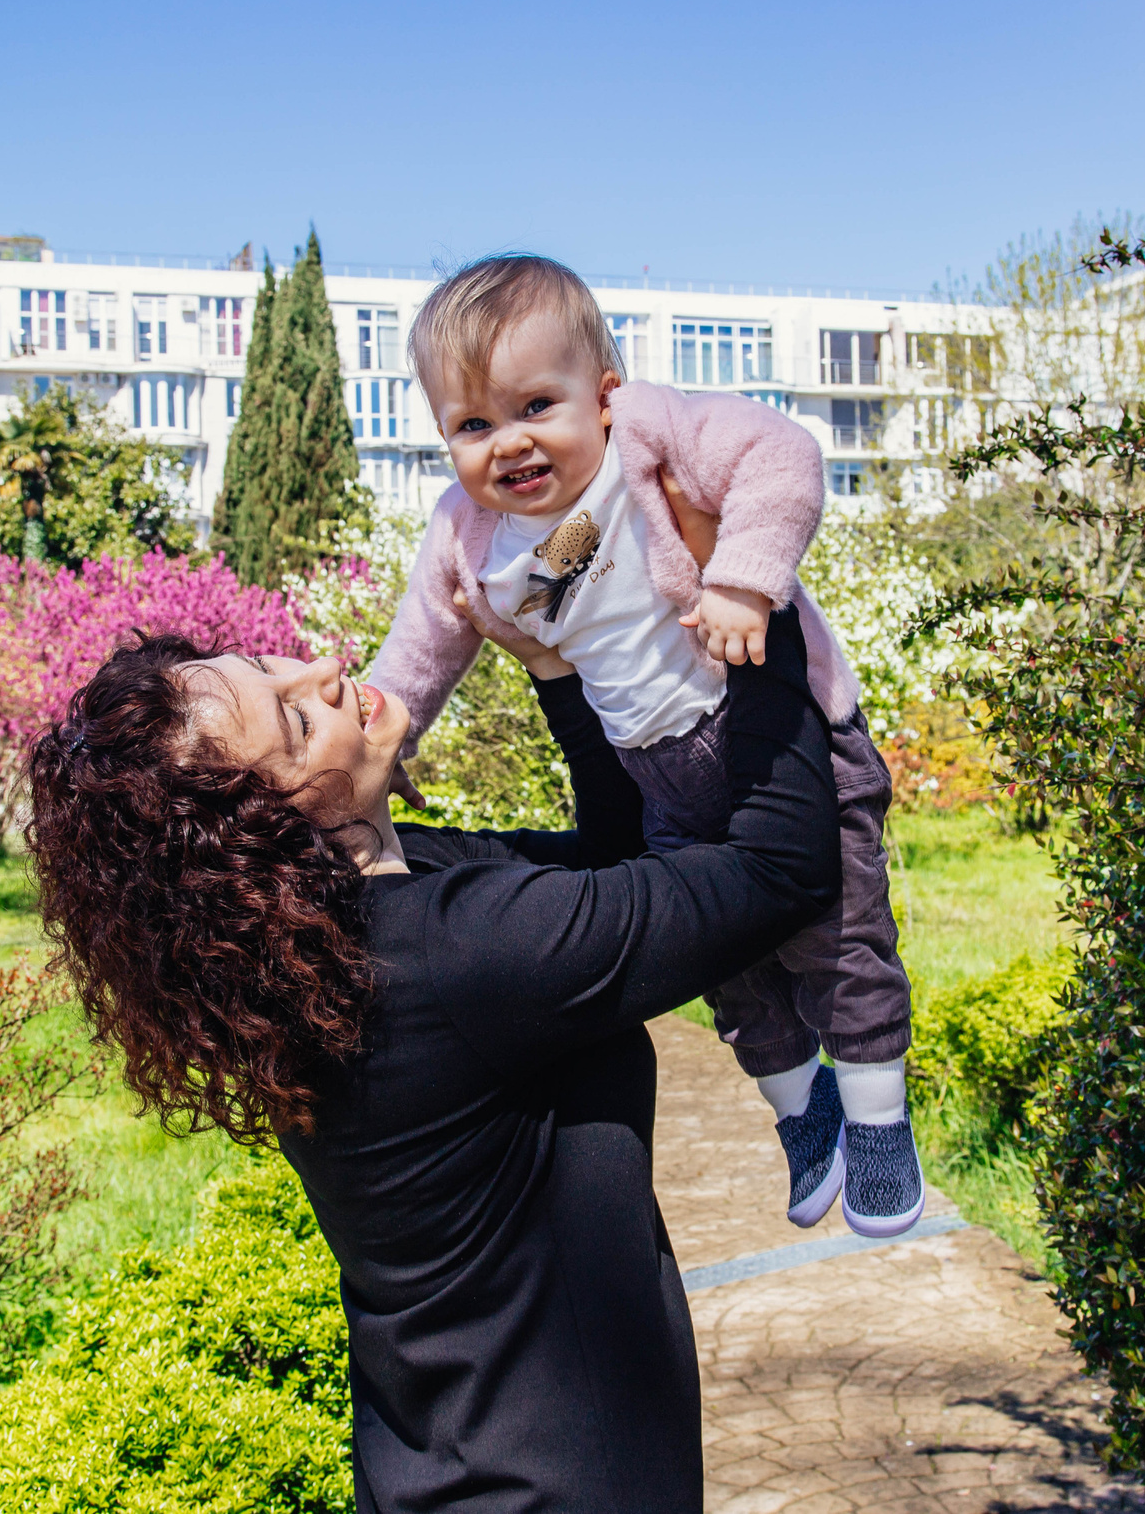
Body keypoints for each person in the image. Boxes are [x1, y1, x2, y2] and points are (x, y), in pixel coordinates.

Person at [25, 590, 843, 1513]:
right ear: (267, 833)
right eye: (298, 721)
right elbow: (781, 867)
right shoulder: (450, 951)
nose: (324, 670)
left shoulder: (333, 938)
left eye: (270, 664)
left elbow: (617, 861)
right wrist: (756, 602)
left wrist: (557, 671)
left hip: (448, 1467)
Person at [366, 253, 923, 1237]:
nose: (510, 442)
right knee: (727, 963)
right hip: (659, 771)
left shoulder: (650, 438)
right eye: (472, 425)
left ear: (605, 393)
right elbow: (427, 638)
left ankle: (880, 1124)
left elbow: (783, 455)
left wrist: (742, 578)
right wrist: (389, 728)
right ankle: (805, 1113)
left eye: (537, 405)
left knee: (837, 939)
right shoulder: (469, 532)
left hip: (775, 727)